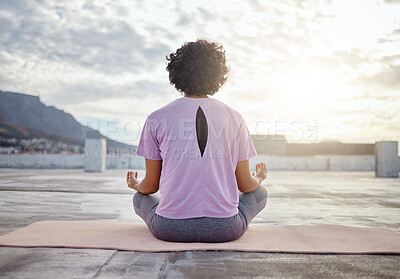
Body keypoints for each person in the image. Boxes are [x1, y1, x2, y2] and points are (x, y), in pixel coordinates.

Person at [126, 39, 268, 243]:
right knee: (260, 192)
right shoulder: (235, 117)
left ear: (176, 74)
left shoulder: (156, 118)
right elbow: (246, 185)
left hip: (170, 228)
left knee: (140, 198)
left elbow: (150, 187)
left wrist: (136, 184)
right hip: (224, 229)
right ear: (218, 75)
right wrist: (260, 177)